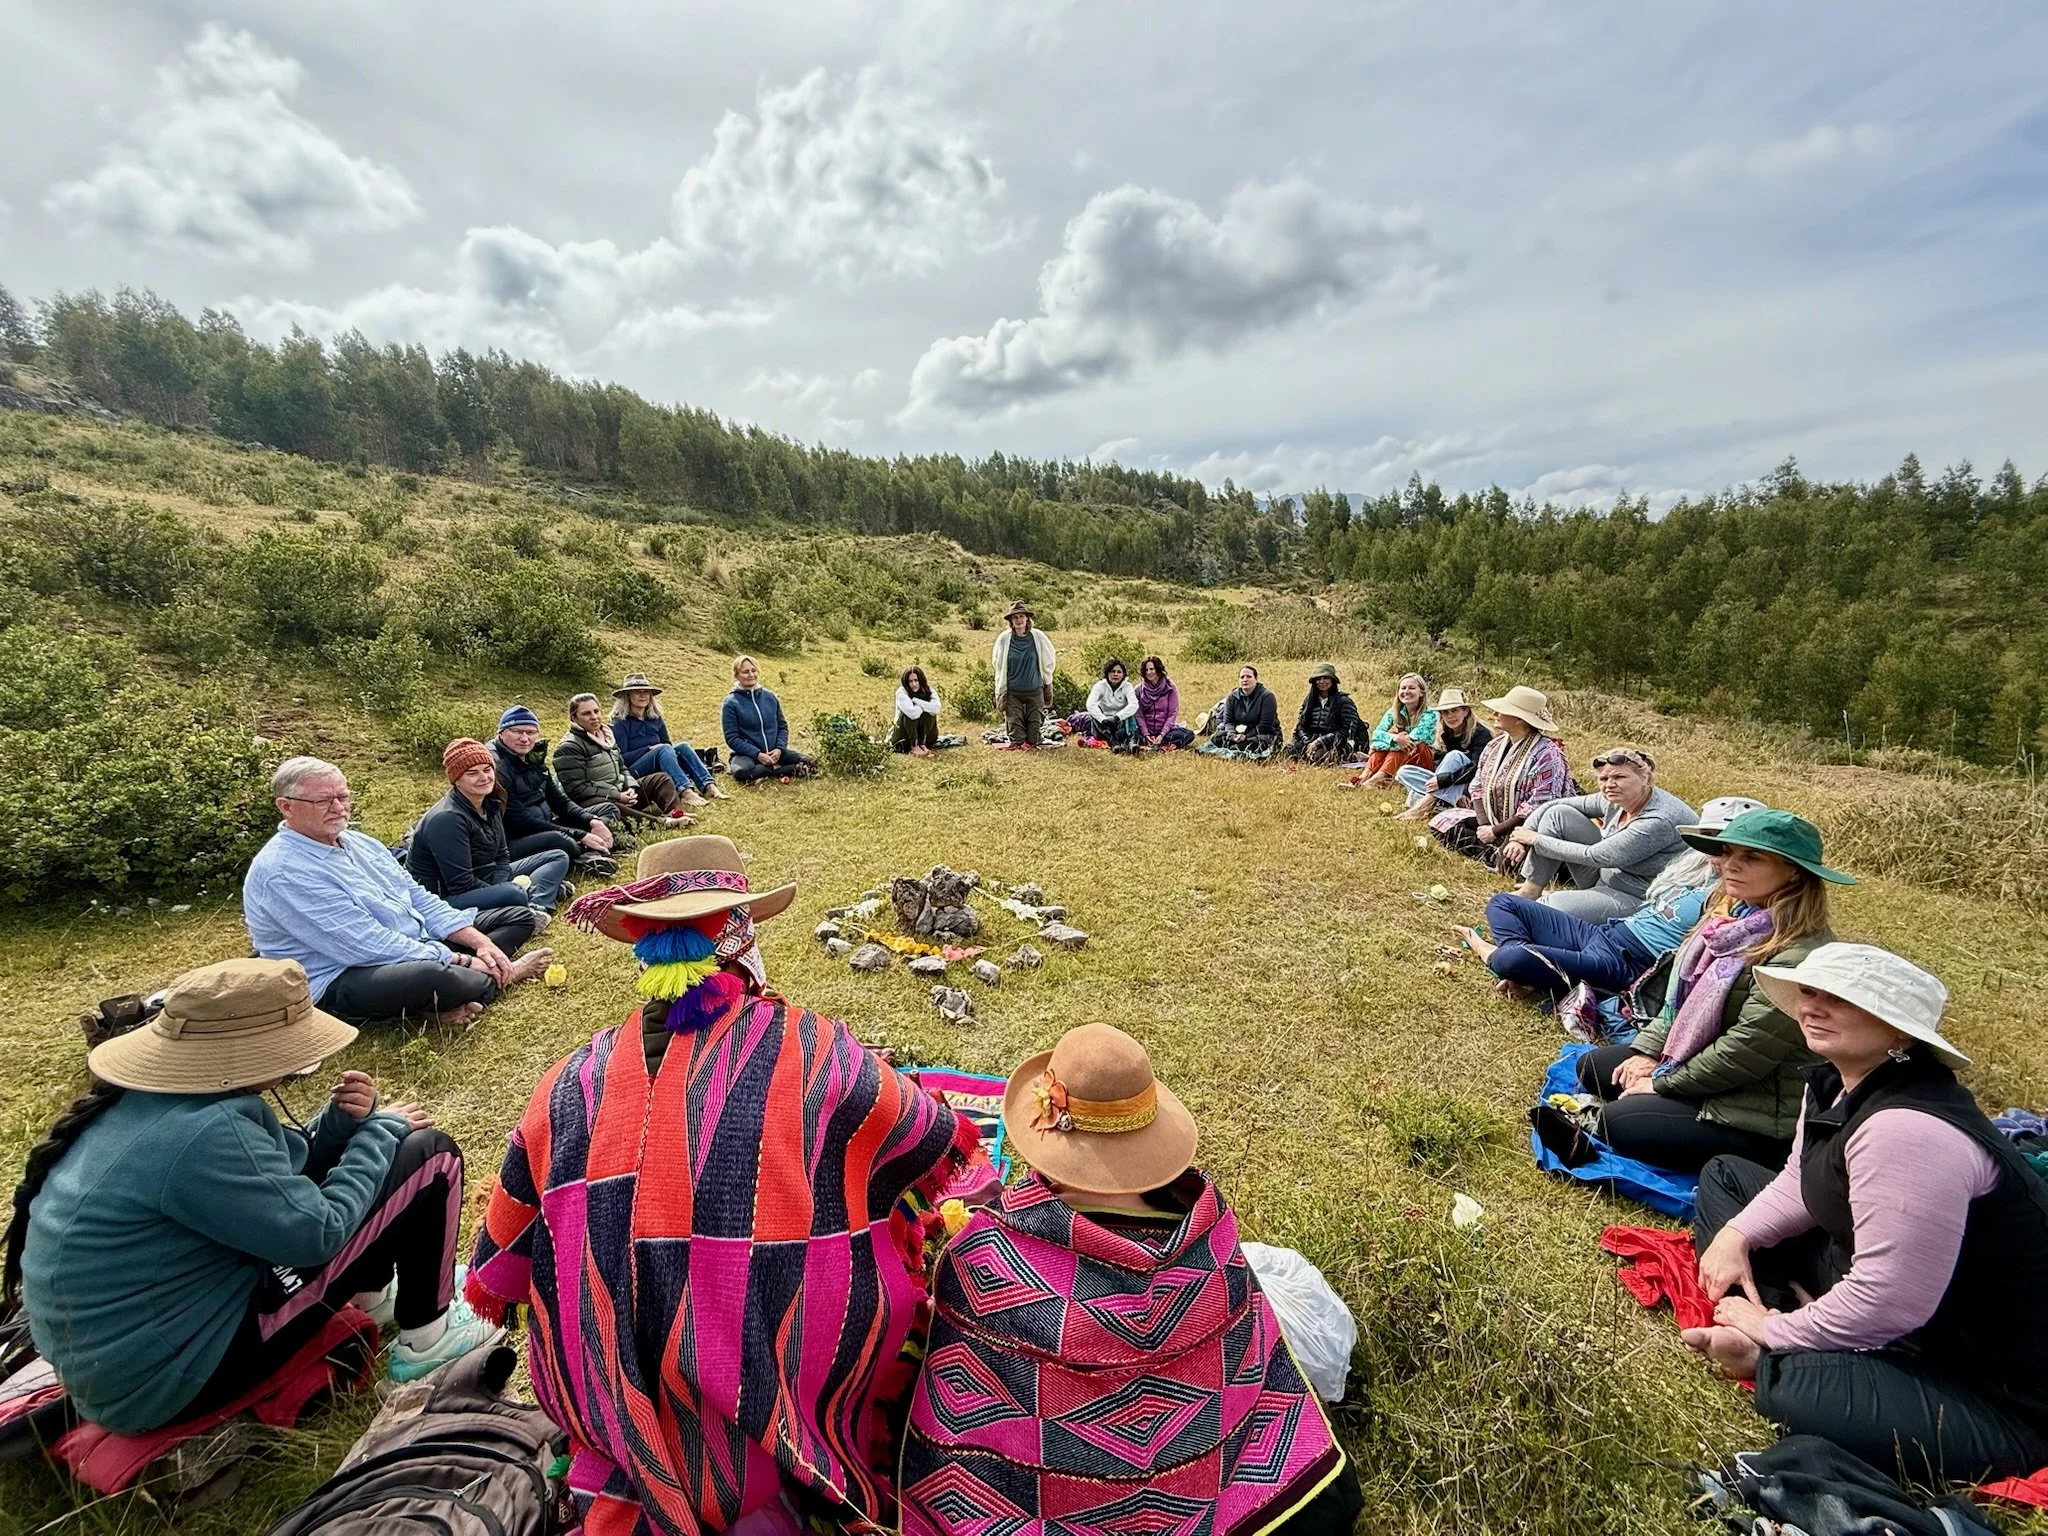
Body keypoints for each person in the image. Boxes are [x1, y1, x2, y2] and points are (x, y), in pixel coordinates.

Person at [468, 837, 982, 1534]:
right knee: (889, 1238)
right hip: (766, 1416)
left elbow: (505, 1255)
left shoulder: (565, 1085)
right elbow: (931, 1136)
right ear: (739, 932)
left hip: (606, 1405)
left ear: (642, 947)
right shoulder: (813, 1050)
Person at [900, 1023, 1361, 1536]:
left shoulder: (982, 1258)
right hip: (1206, 1489)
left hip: (1047, 1508)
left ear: (1043, 1126)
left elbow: (961, 1394)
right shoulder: (1213, 1235)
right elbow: (1247, 1362)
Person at [7, 958, 501, 1435]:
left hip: (126, 1370)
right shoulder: (204, 1133)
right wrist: (376, 1133)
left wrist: (339, 1129)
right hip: (175, 1380)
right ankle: (428, 1342)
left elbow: (266, 1179)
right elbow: (317, 1233)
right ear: (250, 1051)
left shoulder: (152, 1104)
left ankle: (370, 1299)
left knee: (379, 1158)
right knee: (430, 1156)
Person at [1685, 943, 2048, 1483]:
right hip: (1877, 1288)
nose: (1814, 1007)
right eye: (1809, 992)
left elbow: (1890, 1299)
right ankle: (1796, 1323)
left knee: (1801, 1389)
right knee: (1726, 1178)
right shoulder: (1836, 1083)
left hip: (1984, 1377)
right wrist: (1736, 1235)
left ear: (1899, 1032)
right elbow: (1801, 1183)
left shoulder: (1909, 1129)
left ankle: (1774, 1348)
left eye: (1842, 999)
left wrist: (1776, 1331)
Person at [1572, 809, 1849, 1173]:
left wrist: (1661, 1082)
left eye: (1751, 857)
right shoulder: (1730, 921)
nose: (1729, 865)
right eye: (1727, 853)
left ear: (1794, 872)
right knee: (1594, 1066)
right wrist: (1650, 1053)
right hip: (1702, 1061)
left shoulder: (1798, 957)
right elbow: (1680, 1003)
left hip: (1760, 1104)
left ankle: (1761, 1153)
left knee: (1618, 1122)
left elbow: (1745, 1051)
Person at [243, 757, 552, 1029]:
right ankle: (502, 975)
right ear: (286, 807)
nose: (338, 808)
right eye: (323, 801)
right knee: (437, 978)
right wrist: (462, 960)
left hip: (411, 940)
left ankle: (450, 993)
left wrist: (480, 944)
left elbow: (417, 897)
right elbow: (365, 944)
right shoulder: (283, 871)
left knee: (519, 916)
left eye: (343, 796)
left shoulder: (358, 842)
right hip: (345, 972)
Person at [1467, 797, 1765, 1001]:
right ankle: (1534, 971)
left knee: (1511, 958)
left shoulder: (1737, 891)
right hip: (1607, 932)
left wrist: (1491, 951)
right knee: (1503, 903)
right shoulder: (1695, 865)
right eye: (1709, 838)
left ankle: (1515, 961)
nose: (1717, 850)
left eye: (1725, 843)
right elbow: (1565, 804)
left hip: (1626, 962)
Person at [1504, 747, 1695, 920]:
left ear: (1644, 778)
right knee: (1557, 815)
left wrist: (1536, 839)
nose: (1609, 784)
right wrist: (1524, 833)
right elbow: (1554, 805)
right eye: (1603, 779)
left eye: (1620, 777)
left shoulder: (1659, 819)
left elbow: (1597, 856)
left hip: (1640, 896)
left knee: (1547, 909)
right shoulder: (1614, 798)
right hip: (1605, 876)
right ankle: (1531, 889)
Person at [407, 739, 570, 918]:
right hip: (445, 896)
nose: (484, 778)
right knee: (514, 893)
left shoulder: (491, 802)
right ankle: (537, 895)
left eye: (487, 770)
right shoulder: (447, 819)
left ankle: (536, 905)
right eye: (472, 773)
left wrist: (501, 883)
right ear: (456, 779)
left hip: (484, 876)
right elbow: (460, 883)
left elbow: (502, 856)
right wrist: (503, 889)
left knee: (558, 856)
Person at [1428, 686, 1575, 867]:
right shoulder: (1495, 746)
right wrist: (1485, 826)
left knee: (1519, 858)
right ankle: (1492, 853)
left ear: (1520, 720)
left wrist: (1496, 831)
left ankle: (1500, 857)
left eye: (1503, 711)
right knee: (1442, 823)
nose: (1495, 714)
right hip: (1492, 820)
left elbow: (1539, 805)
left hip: (1526, 828)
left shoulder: (1548, 754)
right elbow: (1477, 785)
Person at [489, 704, 618, 874]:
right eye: (517, 731)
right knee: (561, 839)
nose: (525, 738)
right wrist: (579, 834)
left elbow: (560, 803)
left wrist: (591, 821)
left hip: (547, 824)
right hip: (515, 838)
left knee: (608, 809)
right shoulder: (495, 768)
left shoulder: (533, 757)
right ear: (502, 732)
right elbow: (520, 821)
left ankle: (590, 850)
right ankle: (587, 855)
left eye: (530, 732)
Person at [552, 692, 691, 823]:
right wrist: (617, 796)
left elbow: (622, 767)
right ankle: (661, 822)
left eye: (596, 711)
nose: (594, 717)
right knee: (611, 807)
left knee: (660, 779)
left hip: (619, 791)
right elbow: (578, 790)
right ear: (574, 718)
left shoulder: (607, 735)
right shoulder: (569, 747)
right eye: (586, 714)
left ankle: (676, 813)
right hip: (596, 801)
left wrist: (630, 786)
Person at [611, 673, 722, 805]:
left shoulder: (655, 718)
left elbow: (668, 746)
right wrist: (649, 749)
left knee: (682, 747)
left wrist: (660, 751)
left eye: (646, 692)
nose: (643, 695)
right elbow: (621, 759)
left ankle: (708, 786)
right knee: (663, 749)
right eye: (637, 692)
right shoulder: (620, 723)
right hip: (633, 770)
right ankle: (685, 792)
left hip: (659, 761)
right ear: (627, 696)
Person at [1395, 686, 1492, 819]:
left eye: (1454, 711)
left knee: (1455, 756)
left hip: (1472, 782)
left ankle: (1423, 806)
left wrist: (1444, 782)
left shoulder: (1481, 733)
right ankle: (1446, 801)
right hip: (1450, 783)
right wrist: (1442, 782)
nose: (1450, 716)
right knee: (1403, 772)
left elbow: (1479, 770)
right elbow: (1440, 765)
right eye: (1445, 712)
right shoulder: (1445, 733)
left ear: (1465, 712)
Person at [722, 654, 815, 783]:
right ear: (737, 675)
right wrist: (757, 755)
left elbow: (782, 727)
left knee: (811, 762)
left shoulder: (770, 697)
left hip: (774, 753)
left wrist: (779, 749)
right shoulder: (731, 703)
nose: (751, 675)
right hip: (748, 755)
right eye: (745, 672)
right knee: (741, 773)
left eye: (753, 671)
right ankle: (783, 770)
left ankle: (771, 770)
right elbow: (732, 738)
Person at [991, 599, 1056, 748]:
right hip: (1013, 692)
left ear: (1027, 618)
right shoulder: (1003, 639)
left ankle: (1034, 734)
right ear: (1011, 621)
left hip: (1035, 690)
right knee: (1017, 738)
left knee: (1034, 737)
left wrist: (1047, 682)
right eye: (1015, 617)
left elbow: (1048, 660)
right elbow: (998, 664)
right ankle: (1016, 734)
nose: (1019, 620)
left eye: (1022, 616)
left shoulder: (1038, 637)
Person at [1354, 672, 1438, 786]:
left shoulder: (1430, 714)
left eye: (1412, 688)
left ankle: (1376, 780)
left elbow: (1413, 741)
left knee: (1403, 745)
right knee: (1395, 741)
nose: (1406, 691)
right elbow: (1376, 734)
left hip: (1424, 760)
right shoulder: (1393, 712)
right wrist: (1394, 738)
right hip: (1403, 758)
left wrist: (1379, 744)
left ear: (1421, 693)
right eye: (1403, 688)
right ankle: (1362, 779)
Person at [1197, 665, 1284, 759]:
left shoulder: (1267, 697)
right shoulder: (1232, 697)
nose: (1245, 679)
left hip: (1261, 734)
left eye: (1249, 676)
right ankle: (1233, 747)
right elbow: (1228, 722)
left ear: (1256, 679)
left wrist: (1245, 737)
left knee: (1243, 746)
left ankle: (1236, 749)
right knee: (1217, 738)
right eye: (1242, 677)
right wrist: (1233, 735)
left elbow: (1264, 726)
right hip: (1237, 733)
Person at [1288, 662, 1363, 763]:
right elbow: (1301, 726)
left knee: (1320, 757)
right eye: (1318, 679)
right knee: (1288, 750)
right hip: (1311, 740)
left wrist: (1320, 741)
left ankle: (1354, 756)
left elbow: (1346, 731)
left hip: (1334, 742)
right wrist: (1308, 742)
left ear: (1332, 680)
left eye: (1325, 678)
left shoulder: (1344, 701)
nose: (1322, 682)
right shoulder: (1309, 700)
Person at [1134, 654, 1194, 750]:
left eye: (1151, 669)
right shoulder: (1138, 690)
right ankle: (1151, 743)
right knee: (1123, 733)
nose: (1149, 672)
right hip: (1145, 730)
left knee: (1188, 734)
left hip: (1165, 731)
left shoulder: (1170, 687)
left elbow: (1173, 713)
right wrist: (1146, 734)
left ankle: (1157, 744)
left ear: (1158, 669)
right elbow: (1139, 715)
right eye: (1146, 670)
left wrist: (1161, 735)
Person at [1083, 656, 1142, 751]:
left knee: (1131, 710)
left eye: (1119, 672)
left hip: (1120, 722)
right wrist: (1103, 719)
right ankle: (1112, 742)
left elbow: (1134, 704)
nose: (1116, 674)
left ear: (1123, 675)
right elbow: (1090, 704)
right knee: (1095, 709)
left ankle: (1133, 740)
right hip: (1103, 725)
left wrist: (1117, 717)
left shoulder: (1127, 686)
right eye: (1113, 671)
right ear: (1107, 673)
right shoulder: (1100, 686)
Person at [893, 665, 944, 755]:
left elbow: (936, 708)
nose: (914, 684)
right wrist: (925, 706)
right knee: (909, 714)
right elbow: (912, 713)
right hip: (903, 737)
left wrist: (916, 701)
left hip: (926, 736)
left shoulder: (929, 691)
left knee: (930, 713)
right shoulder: (901, 693)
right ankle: (914, 746)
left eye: (916, 680)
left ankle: (922, 743)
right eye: (910, 681)